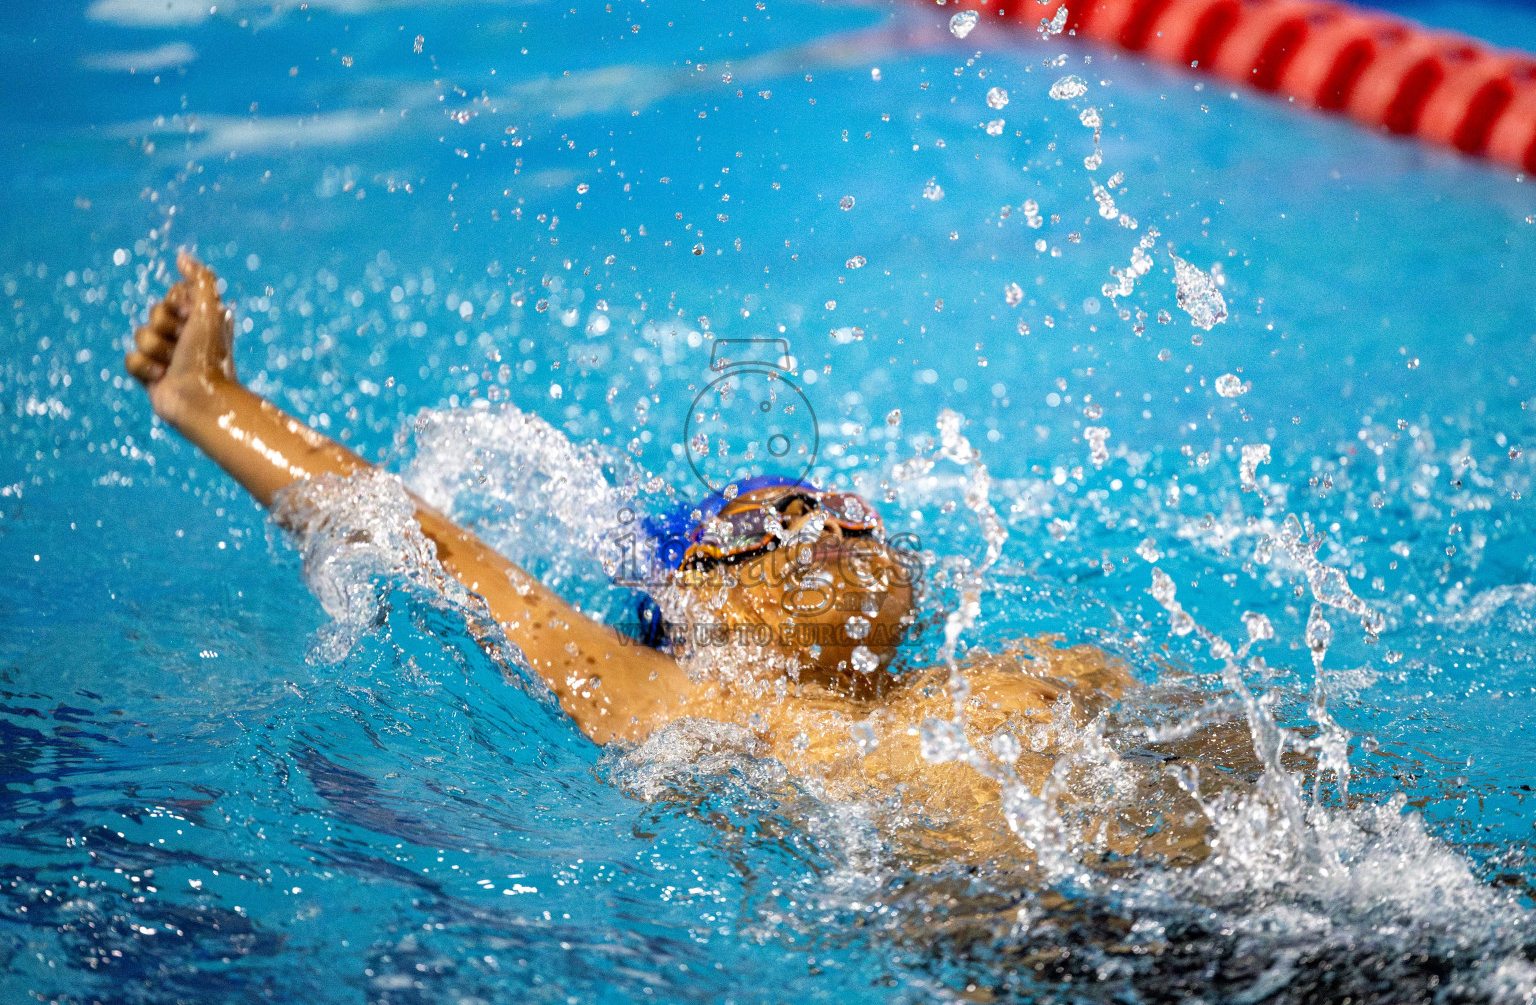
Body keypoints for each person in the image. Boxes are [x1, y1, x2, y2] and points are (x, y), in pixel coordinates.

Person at [126, 252, 1214, 867]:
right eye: (765, 523)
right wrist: (212, 401)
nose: (820, 526)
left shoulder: (1044, 671)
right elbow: (423, 540)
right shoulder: (670, 703)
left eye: (840, 509)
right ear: (688, 605)